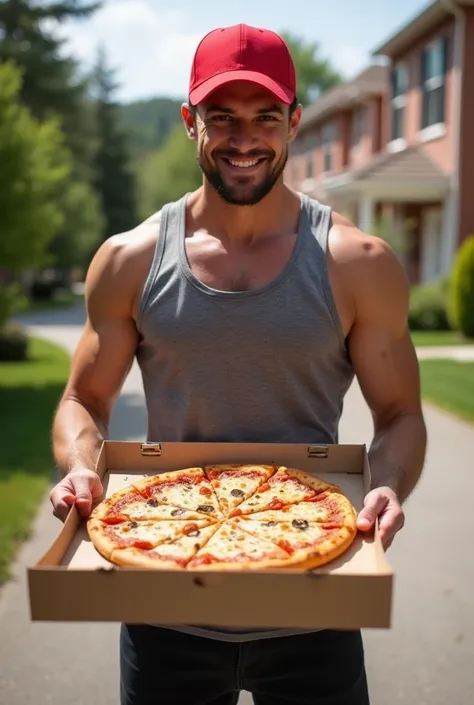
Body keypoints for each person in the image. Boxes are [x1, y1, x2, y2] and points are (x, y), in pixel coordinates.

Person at [49, 23, 427, 705]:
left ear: (295, 123)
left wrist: (390, 482)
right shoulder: (130, 260)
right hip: (164, 602)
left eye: (266, 117)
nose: (244, 138)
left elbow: (400, 413)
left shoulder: (358, 263)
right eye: (222, 117)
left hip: (317, 606)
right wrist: (81, 466)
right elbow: (83, 400)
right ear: (190, 121)